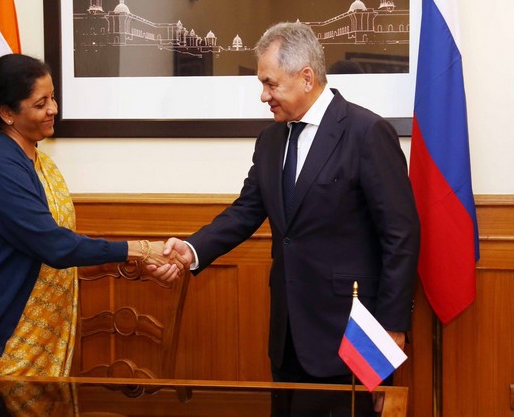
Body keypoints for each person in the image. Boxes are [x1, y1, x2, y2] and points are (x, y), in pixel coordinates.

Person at [164, 22, 420, 384]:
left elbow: (401, 235)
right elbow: (247, 210)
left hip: (354, 332)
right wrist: (192, 250)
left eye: (270, 84)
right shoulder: (270, 140)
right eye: (262, 84)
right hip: (288, 336)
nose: (263, 96)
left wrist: (392, 326)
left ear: (306, 77)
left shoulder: (366, 133)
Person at [0, 53, 186, 377]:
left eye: (53, 97)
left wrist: (139, 265)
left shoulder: (41, 162)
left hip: (39, 334)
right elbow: (56, 247)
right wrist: (141, 248)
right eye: (41, 103)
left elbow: (65, 248)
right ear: (7, 113)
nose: (53, 108)